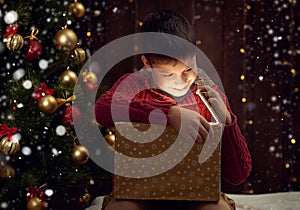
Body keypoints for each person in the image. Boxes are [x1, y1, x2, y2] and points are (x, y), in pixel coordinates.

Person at [94, 10, 252, 210]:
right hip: (140, 195)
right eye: (168, 74)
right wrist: (169, 113)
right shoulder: (134, 85)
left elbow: (239, 175)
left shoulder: (208, 94)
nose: (183, 80)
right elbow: (101, 109)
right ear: (147, 63)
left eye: (188, 69)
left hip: (197, 197)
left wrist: (227, 121)